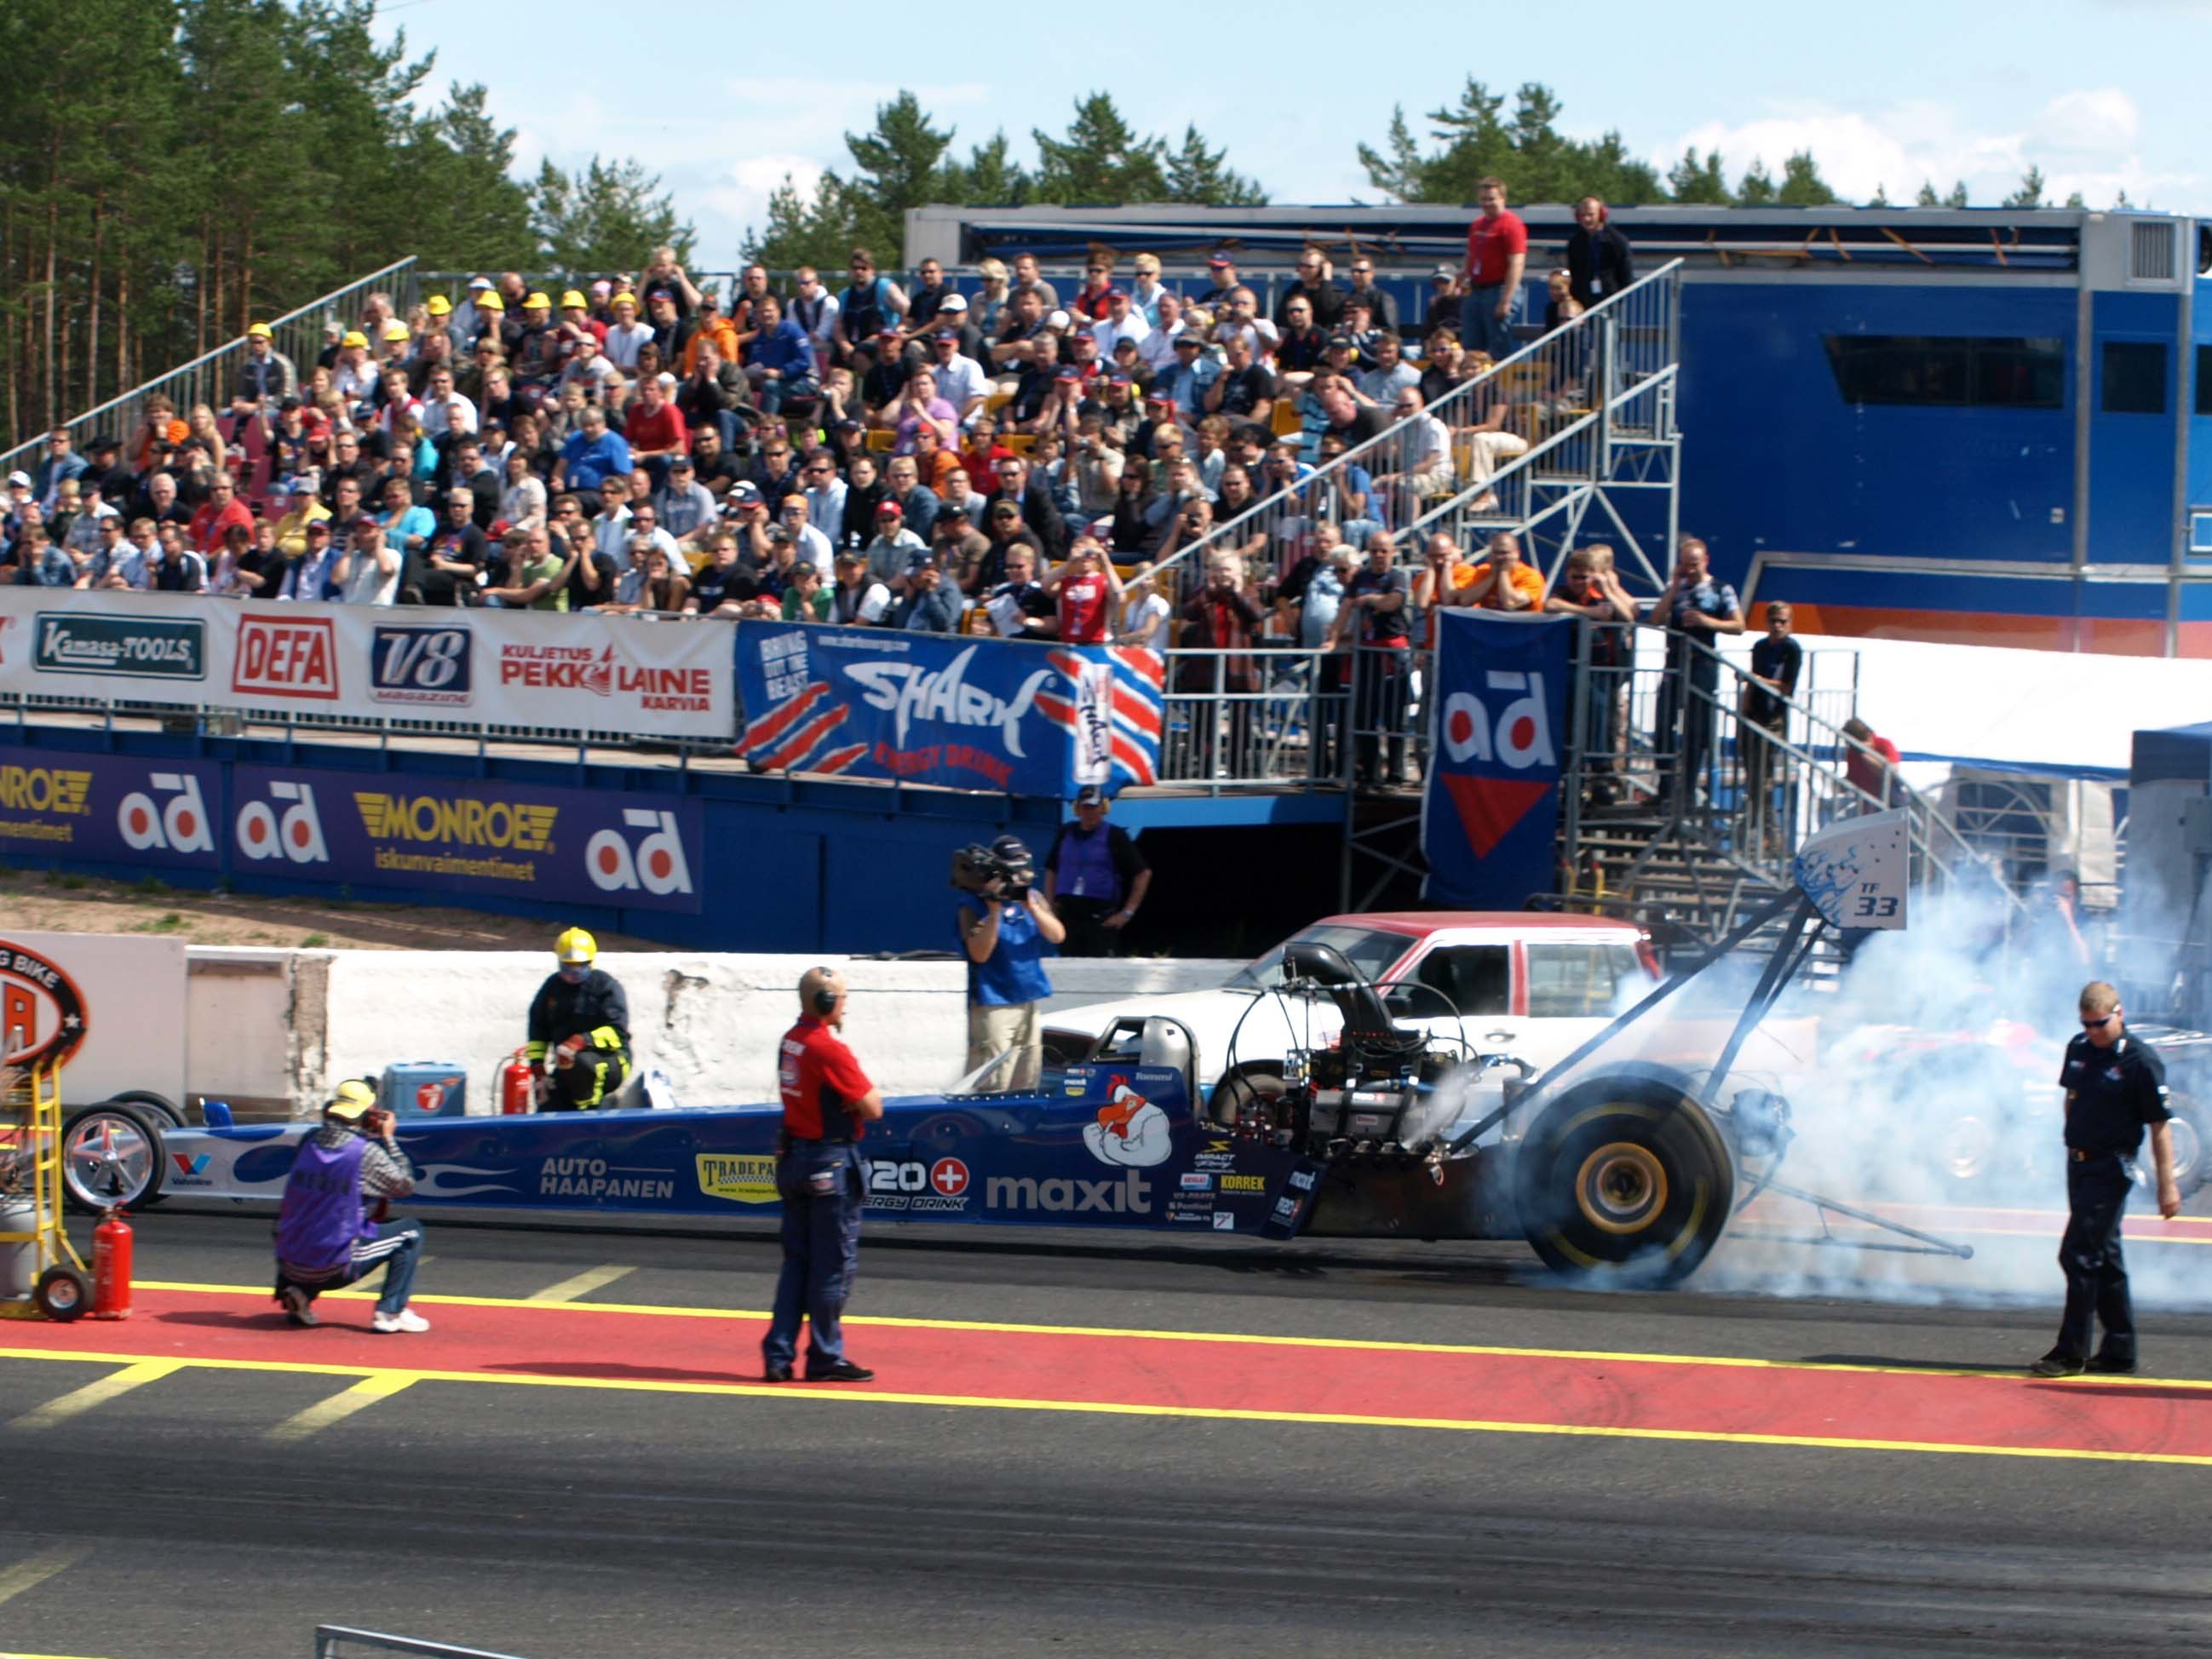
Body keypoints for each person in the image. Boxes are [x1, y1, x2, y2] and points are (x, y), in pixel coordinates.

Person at [2031, 981, 2181, 1377]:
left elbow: (2160, 1126)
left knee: (2078, 1255)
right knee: (2105, 1257)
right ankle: (2119, 1348)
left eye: (2100, 1023)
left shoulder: (2140, 1061)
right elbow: (2071, 1096)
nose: (2094, 1031)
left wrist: (2168, 1183)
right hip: (2079, 1164)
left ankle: (2071, 1352)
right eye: (2087, 1024)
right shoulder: (2078, 1048)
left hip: (2112, 1166)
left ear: (2119, 1014)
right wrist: (2073, 1140)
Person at [762, 967, 884, 1384]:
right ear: (827, 1002)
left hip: (796, 1157)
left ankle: (778, 1355)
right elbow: (873, 1106)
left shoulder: (790, 1042)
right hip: (829, 1163)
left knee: (796, 1263)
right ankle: (825, 1355)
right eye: (843, 998)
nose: (845, 1005)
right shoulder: (828, 1049)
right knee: (833, 1266)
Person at [272, 1080, 428, 1334]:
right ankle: (390, 1312)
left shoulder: (308, 1141)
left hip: (289, 1263)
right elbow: (404, 1184)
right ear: (367, 1116)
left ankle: (301, 1293)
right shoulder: (364, 1153)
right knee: (411, 1232)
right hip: (334, 1267)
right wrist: (388, 1139)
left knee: (310, 1220)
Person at [956, 835, 1064, 1091]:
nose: (1022, 877)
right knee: (992, 1079)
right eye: (1015, 871)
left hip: (1028, 999)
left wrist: (1033, 908)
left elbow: (1057, 935)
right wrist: (994, 912)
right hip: (993, 1004)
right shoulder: (973, 906)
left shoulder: (1033, 898)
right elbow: (979, 954)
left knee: (1027, 1077)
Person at [524, 927, 633, 1111]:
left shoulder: (606, 987)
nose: (573, 975)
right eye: (567, 968)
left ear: (591, 962)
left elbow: (617, 1031)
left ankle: (592, 1111)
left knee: (582, 1065)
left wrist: (582, 1041)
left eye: (580, 969)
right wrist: (537, 1068)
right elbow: (538, 1029)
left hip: (610, 1060)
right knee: (549, 1105)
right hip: (567, 1065)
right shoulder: (552, 988)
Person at [1043, 785, 1152, 956]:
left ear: (1103, 808)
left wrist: (1127, 913)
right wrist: (1050, 905)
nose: (1090, 812)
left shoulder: (1115, 835)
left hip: (1100, 920)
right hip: (1069, 918)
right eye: (1086, 807)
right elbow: (1051, 870)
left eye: (1095, 807)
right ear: (1078, 809)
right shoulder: (1066, 832)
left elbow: (1143, 873)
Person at [1742, 602, 1803, 851]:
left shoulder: (1792, 649)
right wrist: (1745, 704)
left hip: (1773, 718)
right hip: (1754, 714)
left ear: (1790, 623)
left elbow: (1787, 686)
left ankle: (1769, 831)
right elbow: (1752, 680)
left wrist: (1759, 681)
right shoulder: (1760, 647)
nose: (1778, 626)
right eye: (1774, 621)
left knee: (1764, 776)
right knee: (1751, 774)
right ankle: (1756, 825)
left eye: (1783, 622)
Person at [1459, 176, 1530, 362]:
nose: (1487, 203)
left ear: (1503, 198)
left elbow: (1516, 263)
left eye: (1491, 199)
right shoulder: (1477, 225)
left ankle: (1498, 387)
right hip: (1476, 289)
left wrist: (1506, 300)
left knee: (1498, 344)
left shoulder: (1512, 224)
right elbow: (1470, 255)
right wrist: (1459, 279)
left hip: (1498, 289)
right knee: (1472, 346)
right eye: (1483, 199)